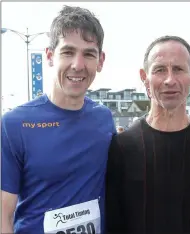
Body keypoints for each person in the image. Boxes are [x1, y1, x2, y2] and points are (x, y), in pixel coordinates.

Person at [1, 5, 116, 234]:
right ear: (50, 56)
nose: (78, 65)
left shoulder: (104, 119)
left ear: (100, 61)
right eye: (68, 52)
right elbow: (3, 215)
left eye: (89, 54)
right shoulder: (14, 124)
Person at [106, 36, 190, 234]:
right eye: (159, 70)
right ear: (144, 77)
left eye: (178, 69)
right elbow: (114, 221)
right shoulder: (122, 148)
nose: (169, 80)